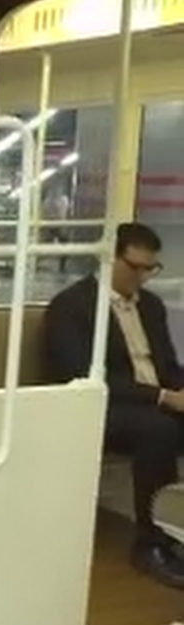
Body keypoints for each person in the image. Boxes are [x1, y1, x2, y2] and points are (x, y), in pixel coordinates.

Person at [44, 222, 184, 588]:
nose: (142, 277)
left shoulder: (151, 306)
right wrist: (163, 397)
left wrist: (177, 389)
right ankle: (151, 543)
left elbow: (167, 366)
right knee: (159, 431)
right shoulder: (72, 306)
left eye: (150, 269)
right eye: (134, 267)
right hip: (101, 406)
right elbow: (80, 373)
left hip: (152, 402)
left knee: (162, 424)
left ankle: (176, 525)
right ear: (109, 259)